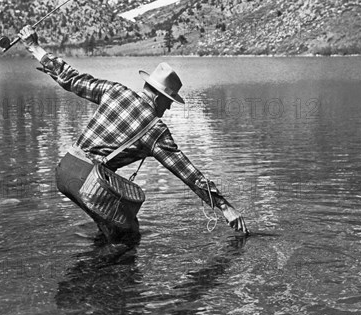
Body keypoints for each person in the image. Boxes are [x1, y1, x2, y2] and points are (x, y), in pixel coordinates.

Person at [18, 25, 249, 240]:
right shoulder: (155, 131)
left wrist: (34, 47)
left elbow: (73, 79)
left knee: (111, 225)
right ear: (159, 97)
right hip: (88, 181)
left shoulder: (115, 90)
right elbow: (188, 173)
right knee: (129, 234)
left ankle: (97, 263)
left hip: (65, 169)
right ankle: (110, 273)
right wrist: (224, 206)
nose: (168, 108)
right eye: (169, 102)